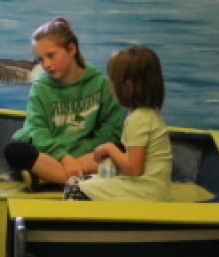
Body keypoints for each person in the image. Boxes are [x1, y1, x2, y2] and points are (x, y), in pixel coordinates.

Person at [4, 17, 125, 190]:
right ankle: (80, 178)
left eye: (51, 56)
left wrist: (78, 151)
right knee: (14, 150)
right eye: (40, 59)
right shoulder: (40, 88)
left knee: (121, 148)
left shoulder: (99, 83)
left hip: (85, 152)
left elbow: (113, 128)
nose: (46, 64)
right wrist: (63, 157)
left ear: (71, 49)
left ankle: (50, 177)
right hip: (50, 154)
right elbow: (38, 131)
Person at [64, 45, 172, 201]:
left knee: (73, 188)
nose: (111, 85)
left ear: (127, 86)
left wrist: (109, 148)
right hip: (155, 189)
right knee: (83, 181)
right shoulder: (150, 115)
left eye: (113, 80)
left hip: (145, 192)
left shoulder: (138, 119)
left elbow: (134, 169)